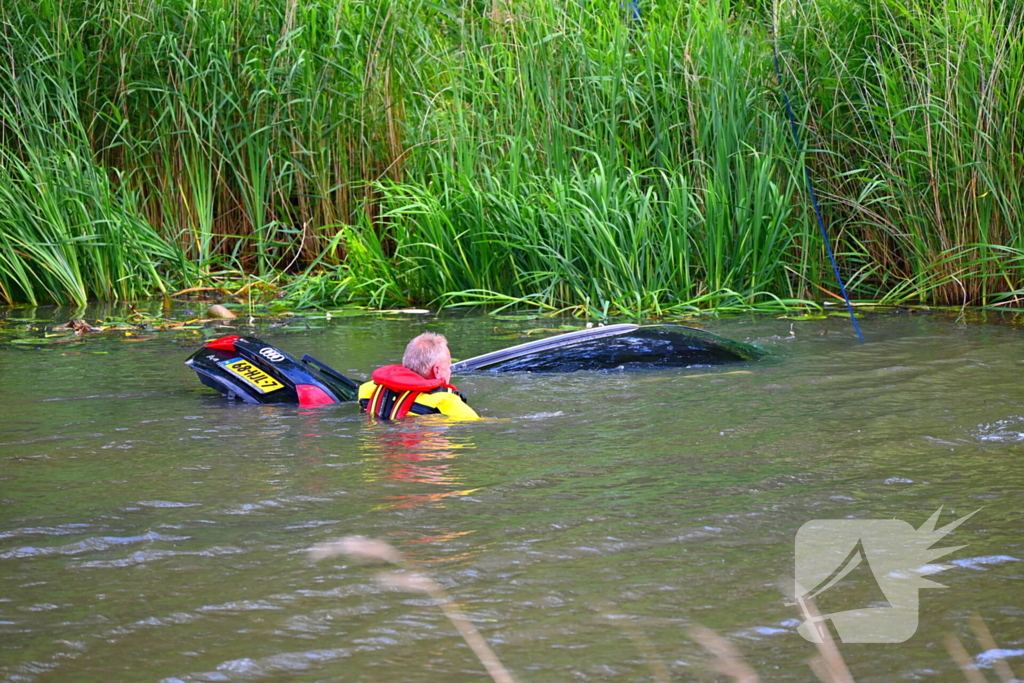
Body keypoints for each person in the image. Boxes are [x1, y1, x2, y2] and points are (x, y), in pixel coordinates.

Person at [359, 332, 479, 419]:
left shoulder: (367, 389)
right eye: (448, 366)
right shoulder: (445, 401)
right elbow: (478, 424)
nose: (450, 371)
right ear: (437, 371)